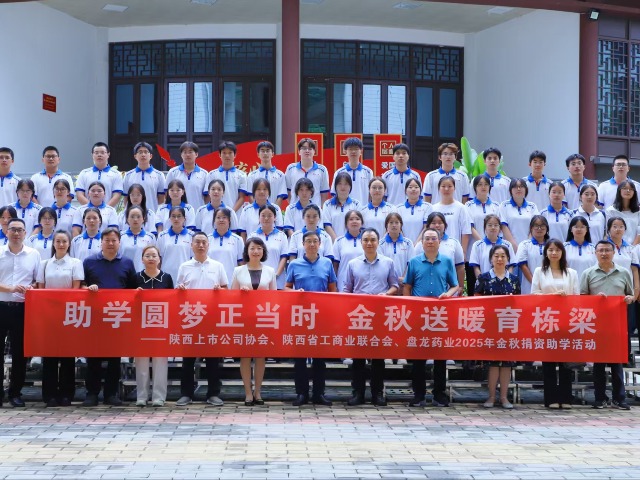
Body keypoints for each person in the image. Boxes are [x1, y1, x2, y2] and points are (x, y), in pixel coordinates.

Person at [82, 227, 138, 406]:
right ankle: (92, 393)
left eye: (114, 240)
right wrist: (87, 289)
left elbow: (132, 288)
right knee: (93, 355)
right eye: (107, 240)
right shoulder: (89, 262)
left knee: (115, 357)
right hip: (95, 316)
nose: (110, 244)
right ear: (101, 242)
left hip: (117, 317)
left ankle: (111, 394)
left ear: (119, 243)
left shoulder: (127, 263)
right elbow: (81, 285)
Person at [343, 228, 398, 406]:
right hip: (359, 316)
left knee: (378, 356)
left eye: (373, 240)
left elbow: (395, 285)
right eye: (366, 239)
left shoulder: (388, 263)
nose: (369, 243)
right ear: (361, 242)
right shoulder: (353, 264)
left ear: (378, 242)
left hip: (380, 315)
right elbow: (347, 289)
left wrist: (386, 294)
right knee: (358, 357)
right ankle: (358, 393)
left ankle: (377, 393)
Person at [404, 228, 458, 408]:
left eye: (433, 238)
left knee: (440, 357)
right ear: (422, 243)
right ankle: (418, 395)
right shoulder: (414, 262)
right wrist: (409, 306)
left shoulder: (447, 261)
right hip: (419, 315)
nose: (430, 242)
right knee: (418, 357)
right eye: (427, 238)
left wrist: (447, 295)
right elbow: (407, 286)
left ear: (439, 242)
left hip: (439, 316)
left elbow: (455, 286)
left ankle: (439, 394)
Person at [175, 231, 228, 407]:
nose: (200, 245)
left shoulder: (217, 266)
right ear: (191, 245)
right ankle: (186, 394)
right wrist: (180, 290)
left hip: (212, 318)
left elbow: (226, 290)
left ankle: (213, 393)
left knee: (213, 359)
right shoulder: (184, 266)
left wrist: (220, 290)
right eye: (197, 242)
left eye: (204, 242)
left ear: (208, 245)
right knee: (188, 359)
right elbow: (177, 291)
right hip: (190, 318)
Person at [285, 230, 338, 406]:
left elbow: (332, 289)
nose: (312, 244)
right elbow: (286, 288)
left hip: (321, 316)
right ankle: (301, 393)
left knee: (319, 358)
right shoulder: (294, 264)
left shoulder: (327, 263)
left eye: (315, 241)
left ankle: (318, 393)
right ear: (303, 244)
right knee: (300, 357)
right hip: (300, 316)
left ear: (320, 244)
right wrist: (295, 292)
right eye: (308, 241)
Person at [581, 240, 635, 410]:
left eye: (607, 250)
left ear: (613, 252)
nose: (604, 253)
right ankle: (600, 398)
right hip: (596, 325)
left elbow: (630, 295)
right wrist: (594, 299)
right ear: (595, 253)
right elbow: (582, 297)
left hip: (617, 324)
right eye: (601, 250)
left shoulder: (624, 273)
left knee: (616, 362)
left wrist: (629, 299)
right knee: (598, 364)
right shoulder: (588, 273)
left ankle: (619, 398)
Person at [36, 230, 83, 407]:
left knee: (67, 357)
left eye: (64, 241)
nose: (61, 244)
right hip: (49, 315)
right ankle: (49, 395)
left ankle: (66, 394)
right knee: (49, 357)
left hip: (68, 314)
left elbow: (76, 289)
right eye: (58, 241)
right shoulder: (44, 264)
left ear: (69, 244)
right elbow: (40, 289)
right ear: (53, 243)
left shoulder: (76, 263)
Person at [531, 239, 579, 409]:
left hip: (567, 321)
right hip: (547, 320)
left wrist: (566, 298)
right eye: (550, 250)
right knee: (549, 361)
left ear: (562, 253)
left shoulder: (572, 273)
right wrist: (552, 297)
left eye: (557, 250)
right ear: (546, 252)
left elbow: (577, 297)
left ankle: (566, 398)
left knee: (566, 362)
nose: (554, 253)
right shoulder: (539, 271)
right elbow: (534, 294)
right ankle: (550, 398)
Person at [231, 237, 277, 406]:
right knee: (245, 356)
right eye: (252, 248)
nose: (256, 251)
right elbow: (231, 296)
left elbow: (274, 297)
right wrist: (241, 294)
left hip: (263, 319)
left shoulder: (270, 271)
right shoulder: (238, 270)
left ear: (263, 251)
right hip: (244, 319)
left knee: (260, 356)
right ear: (247, 251)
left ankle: (258, 391)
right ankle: (248, 393)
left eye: (259, 248)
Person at [474, 244, 520, 409]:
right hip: (490, 326)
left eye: (503, 256)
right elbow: (476, 300)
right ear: (491, 259)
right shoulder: (483, 278)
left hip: (508, 325)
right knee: (493, 363)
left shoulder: (514, 280)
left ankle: (504, 397)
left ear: (508, 259)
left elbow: (519, 302)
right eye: (496, 256)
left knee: (506, 363)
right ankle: (491, 397)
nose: (500, 259)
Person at [0, 218, 41, 407]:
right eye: (13, 229)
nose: (16, 233)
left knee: (20, 353)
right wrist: (10, 288)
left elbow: (38, 281)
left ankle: (15, 393)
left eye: (20, 230)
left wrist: (31, 287)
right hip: (1, 305)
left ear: (25, 233)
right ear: (6, 231)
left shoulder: (34, 254)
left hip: (23, 308)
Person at [134, 245, 173, 407]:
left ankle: (158, 396)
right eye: (147, 256)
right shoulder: (136, 278)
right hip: (140, 325)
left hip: (160, 325)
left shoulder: (166, 277)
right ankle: (141, 396)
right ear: (142, 259)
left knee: (160, 361)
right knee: (141, 361)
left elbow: (172, 301)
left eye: (154, 256)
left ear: (159, 259)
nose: (151, 258)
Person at [249, 205, 289, 290]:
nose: (266, 218)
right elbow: (249, 258)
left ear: (275, 217)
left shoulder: (282, 236)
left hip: (277, 281)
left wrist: (276, 275)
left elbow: (284, 258)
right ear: (259, 217)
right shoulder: (252, 236)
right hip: (256, 281)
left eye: (269, 215)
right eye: (263, 215)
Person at [431, 176, 472, 257]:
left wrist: (463, 253)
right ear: (439, 189)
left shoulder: (461, 208)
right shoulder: (433, 208)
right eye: (443, 186)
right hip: (435, 251)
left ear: (454, 188)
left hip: (454, 251)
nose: (446, 189)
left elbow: (466, 231)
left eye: (450, 186)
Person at [75, 142, 123, 207]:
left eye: (102, 152)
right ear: (92, 155)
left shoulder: (116, 174)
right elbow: (79, 195)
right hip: (88, 212)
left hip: (109, 212)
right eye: (96, 153)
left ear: (108, 154)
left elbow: (117, 196)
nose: (99, 155)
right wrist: (92, 209)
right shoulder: (84, 173)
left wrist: (105, 210)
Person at [285, 138, 330, 207]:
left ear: (314, 151)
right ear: (299, 151)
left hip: (314, 210)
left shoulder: (322, 170)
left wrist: (317, 208)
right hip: (295, 210)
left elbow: (324, 194)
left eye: (310, 148)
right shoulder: (291, 169)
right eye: (304, 148)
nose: (307, 151)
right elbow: (288, 192)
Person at [123, 141, 166, 212]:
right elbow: (126, 198)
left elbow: (161, 198)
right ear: (135, 156)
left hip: (152, 214)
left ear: (151, 156)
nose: (143, 155)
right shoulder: (128, 175)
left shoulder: (159, 175)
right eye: (140, 152)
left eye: (146, 152)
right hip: (134, 215)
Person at [205, 141, 248, 212]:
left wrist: (231, 213)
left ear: (235, 155)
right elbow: (208, 197)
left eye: (230, 153)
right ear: (220, 155)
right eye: (224, 153)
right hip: (216, 215)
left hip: (235, 215)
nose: (227, 156)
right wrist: (217, 213)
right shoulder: (212, 174)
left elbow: (242, 198)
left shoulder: (242, 175)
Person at [499, 178, 539, 253]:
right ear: (510, 190)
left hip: (528, 248)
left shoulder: (532, 206)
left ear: (526, 189)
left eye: (521, 186)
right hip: (508, 248)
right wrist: (514, 246)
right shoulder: (504, 205)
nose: (518, 189)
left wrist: (526, 245)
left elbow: (535, 226)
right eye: (515, 187)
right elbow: (503, 226)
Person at [156, 206, 194, 283]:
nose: (176, 219)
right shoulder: (162, 235)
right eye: (173, 216)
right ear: (169, 218)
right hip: (165, 275)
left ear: (184, 219)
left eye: (179, 216)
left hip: (185, 275)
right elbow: (158, 258)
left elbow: (193, 259)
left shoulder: (192, 236)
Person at [330, 137, 373, 205]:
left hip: (363, 209)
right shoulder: (339, 172)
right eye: (350, 149)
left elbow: (371, 195)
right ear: (345, 151)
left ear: (361, 151)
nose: (353, 151)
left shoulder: (368, 172)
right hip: (345, 209)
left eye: (356, 149)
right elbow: (335, 194)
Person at [165, 141, 208, 209]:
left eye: (190, 152)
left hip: (197, 212)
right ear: (181, 155)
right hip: (177, 213)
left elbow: (207, 197)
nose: (187, 155)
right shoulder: (173, 172)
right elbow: (166, 194)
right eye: (185, 152)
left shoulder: (204, 174)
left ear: (196, 154)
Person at [207, 207, 244, 282]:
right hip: (210, 280)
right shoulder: (207, 239)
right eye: (218, 217)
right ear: (214, 220)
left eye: (224, 217)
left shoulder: (238, 240)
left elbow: (241, 264)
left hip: (231, 280)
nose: (221, 220)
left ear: (229, 220)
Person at [246, 141, 287, 207]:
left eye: (268, 151)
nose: (265, 153)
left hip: (274, 212)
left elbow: (280, 197)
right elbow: (251, 196)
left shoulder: (280, 175)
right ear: (258, 154)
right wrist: (258, 211)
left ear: (272, 154)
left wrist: (273, 211)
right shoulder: (252, 175)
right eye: (262, 151)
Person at [322, 171, 361, 241]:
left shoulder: (356, 204)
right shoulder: (327, 204)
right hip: (333, 243)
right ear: (335, 186)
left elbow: (357, 225)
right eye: (340, 184)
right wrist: (337, 242)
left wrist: (347, 242)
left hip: (351, 241)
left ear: (350, 186)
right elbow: (327, 225)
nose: (343, 187)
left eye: (346, 184)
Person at [516, 215, 550, 294]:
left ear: (547, 228)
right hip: (529, 286)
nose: (539, 228)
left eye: (542, 226)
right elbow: (523, 266)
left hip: (549, 285)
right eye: (536, 226)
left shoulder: (551, 245)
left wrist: (545, 285)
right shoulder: (524, 244)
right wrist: (535, 284)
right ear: (531, 228)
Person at [333, 210, 364, 293]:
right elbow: (335, 265)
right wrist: (335, 285)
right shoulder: (339, 241)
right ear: (346, 223)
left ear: (362, 223)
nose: (354, 221)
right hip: (343, 283)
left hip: (363, 283)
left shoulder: (367, 241)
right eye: (351, 219)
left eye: (357, 219)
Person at [119, 206, 156, 273]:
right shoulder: (120, 236)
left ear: (143, 219)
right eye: (132, 217)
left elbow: (154, 257)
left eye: (138, 217)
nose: (135, 219)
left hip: (144, 274)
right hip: (124, 273)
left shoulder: (150, 237)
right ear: (127, 219)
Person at [396, 177, 431, 245]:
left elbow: (426, 227)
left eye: (416, 187)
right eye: (410, 187)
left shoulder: (427, 207)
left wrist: (416, 244)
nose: (413, 189)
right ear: (405, 191)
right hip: (403, 245)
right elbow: (398, 228)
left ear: (420, 190)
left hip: (421, 245)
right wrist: (407, 244)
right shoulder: (398, 208)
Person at [605, 181, 640, 246]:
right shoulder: (611, 211)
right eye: (625, 188)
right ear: (619, 190)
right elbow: (609, 232)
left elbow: (639, 232)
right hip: (617, 247)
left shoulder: (638, 211)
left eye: (631, 189)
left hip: (636, 247)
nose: (628, 191)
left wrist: (632, 248)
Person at [564, 216, 597, 280]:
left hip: (588, 283)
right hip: (569, 283)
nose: (579, 229)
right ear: (571, 229)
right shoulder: (564, 247)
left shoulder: (594, 248)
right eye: (576, 227)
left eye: (582, 227)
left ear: (587, 229)